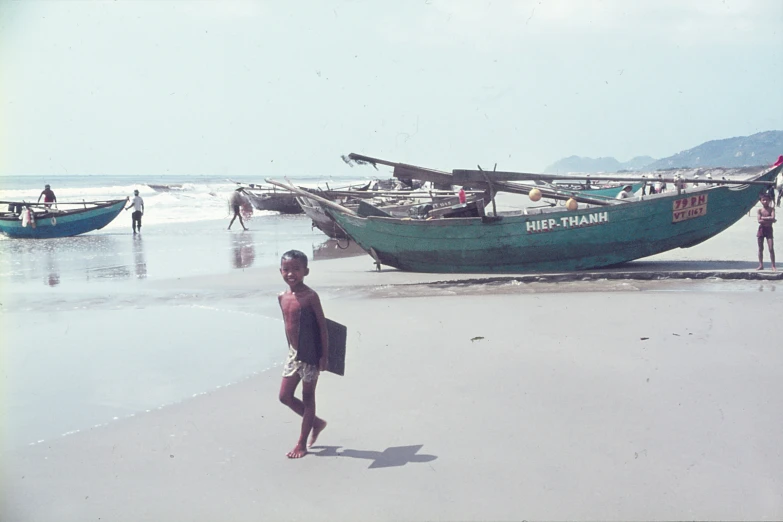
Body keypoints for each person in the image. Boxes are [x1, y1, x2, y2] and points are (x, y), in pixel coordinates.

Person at [277, 250, 328, 459]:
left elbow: (322, 327)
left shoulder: (310, 297)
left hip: (311, 354)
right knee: (284, 396)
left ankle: (301, 443)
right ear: (280, 271)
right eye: (287, 269)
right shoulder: (281, 297)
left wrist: (324, 356)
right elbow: (287, 326)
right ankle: (316, 422)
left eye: (296, 269)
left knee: (308, 398)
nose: (291, 274)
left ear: (306, 271)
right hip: (294, 353)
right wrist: (290, 348)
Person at [756, 193, 776, 271]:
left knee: (771, 248)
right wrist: (770, 219)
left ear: (769, 200)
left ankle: (773, 266)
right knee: (761, 248)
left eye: (767, 200)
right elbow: (759, 221)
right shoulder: (759, 210)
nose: (765, 201)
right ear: (761, 201)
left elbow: (773, 217)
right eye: (763, 200)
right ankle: (761, 265)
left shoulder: (772, 209)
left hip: (769, 229)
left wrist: (764, 218)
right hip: (761, 229)